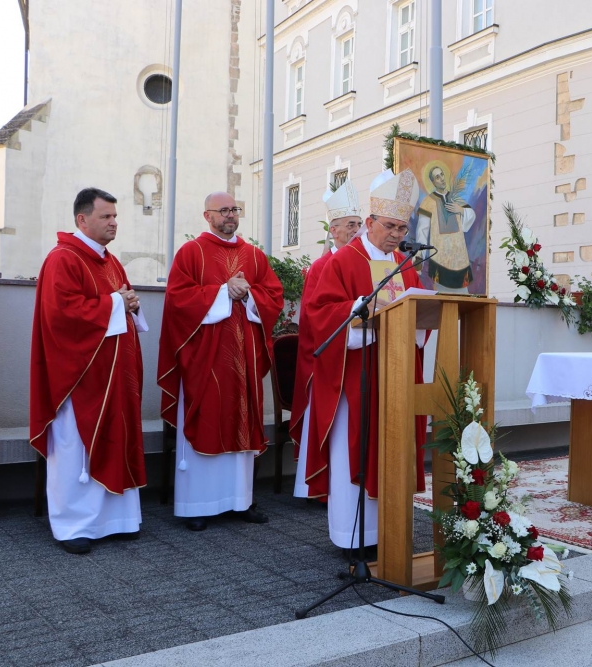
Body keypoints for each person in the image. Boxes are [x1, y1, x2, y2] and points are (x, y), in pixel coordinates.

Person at [304, 169, 429, 552]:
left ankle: (390, 534)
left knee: (392, 450)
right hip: (356, 375)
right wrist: (361, 308)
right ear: (370, 222)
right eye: (390, 226)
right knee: (354, 454)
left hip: (396, 373)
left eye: (402, 229)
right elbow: (319, 313)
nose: (396, 235)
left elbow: (420, 314)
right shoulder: (342, 260)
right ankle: (352, 538)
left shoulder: (405, 265)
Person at [30, 187, 148, 554]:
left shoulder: (110, 261)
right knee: (74, 447)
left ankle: (118, 520)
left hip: (114, 375)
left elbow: (119, 304)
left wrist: (128, 303)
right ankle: (73, 525)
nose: (114, 222)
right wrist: (116, 302)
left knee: (117, 438)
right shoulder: (62, 259)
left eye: (115, 216)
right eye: (105, 216)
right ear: (82, 219)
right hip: (79, 377)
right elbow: (61, 314)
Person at [157, 192, 284, 531]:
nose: (230, 215)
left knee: (241, 420)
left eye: (234, 209)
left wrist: (252, 294)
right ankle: (197, 505)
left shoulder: (254, 256)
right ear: (207, 215)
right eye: (223, 210)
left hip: (244, 359)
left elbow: (274, 296)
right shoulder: (191, 252)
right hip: (205, 359)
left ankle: (240, 500)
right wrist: (220, 292)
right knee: (209, 418)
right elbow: (177, 301)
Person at [289, 179, 362, 499]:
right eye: (350, 225)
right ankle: (320, 482)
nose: (357, 231)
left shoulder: (361, 261)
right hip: (328, 353)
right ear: (333, 230)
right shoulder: (322, 265)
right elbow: (313, 316)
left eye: (360, 224)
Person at [414, 162, 476, 293]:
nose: (441, 178)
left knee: (463, 295)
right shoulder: (428, 202)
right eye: (437, 177)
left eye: (442, 174)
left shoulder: (455, 198)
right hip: (440, 257)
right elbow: (422, 231)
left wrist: (461, 210)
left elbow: (471, 215)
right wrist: (419, 254)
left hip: (459, 257)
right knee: (442, 297)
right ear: (433, 182)